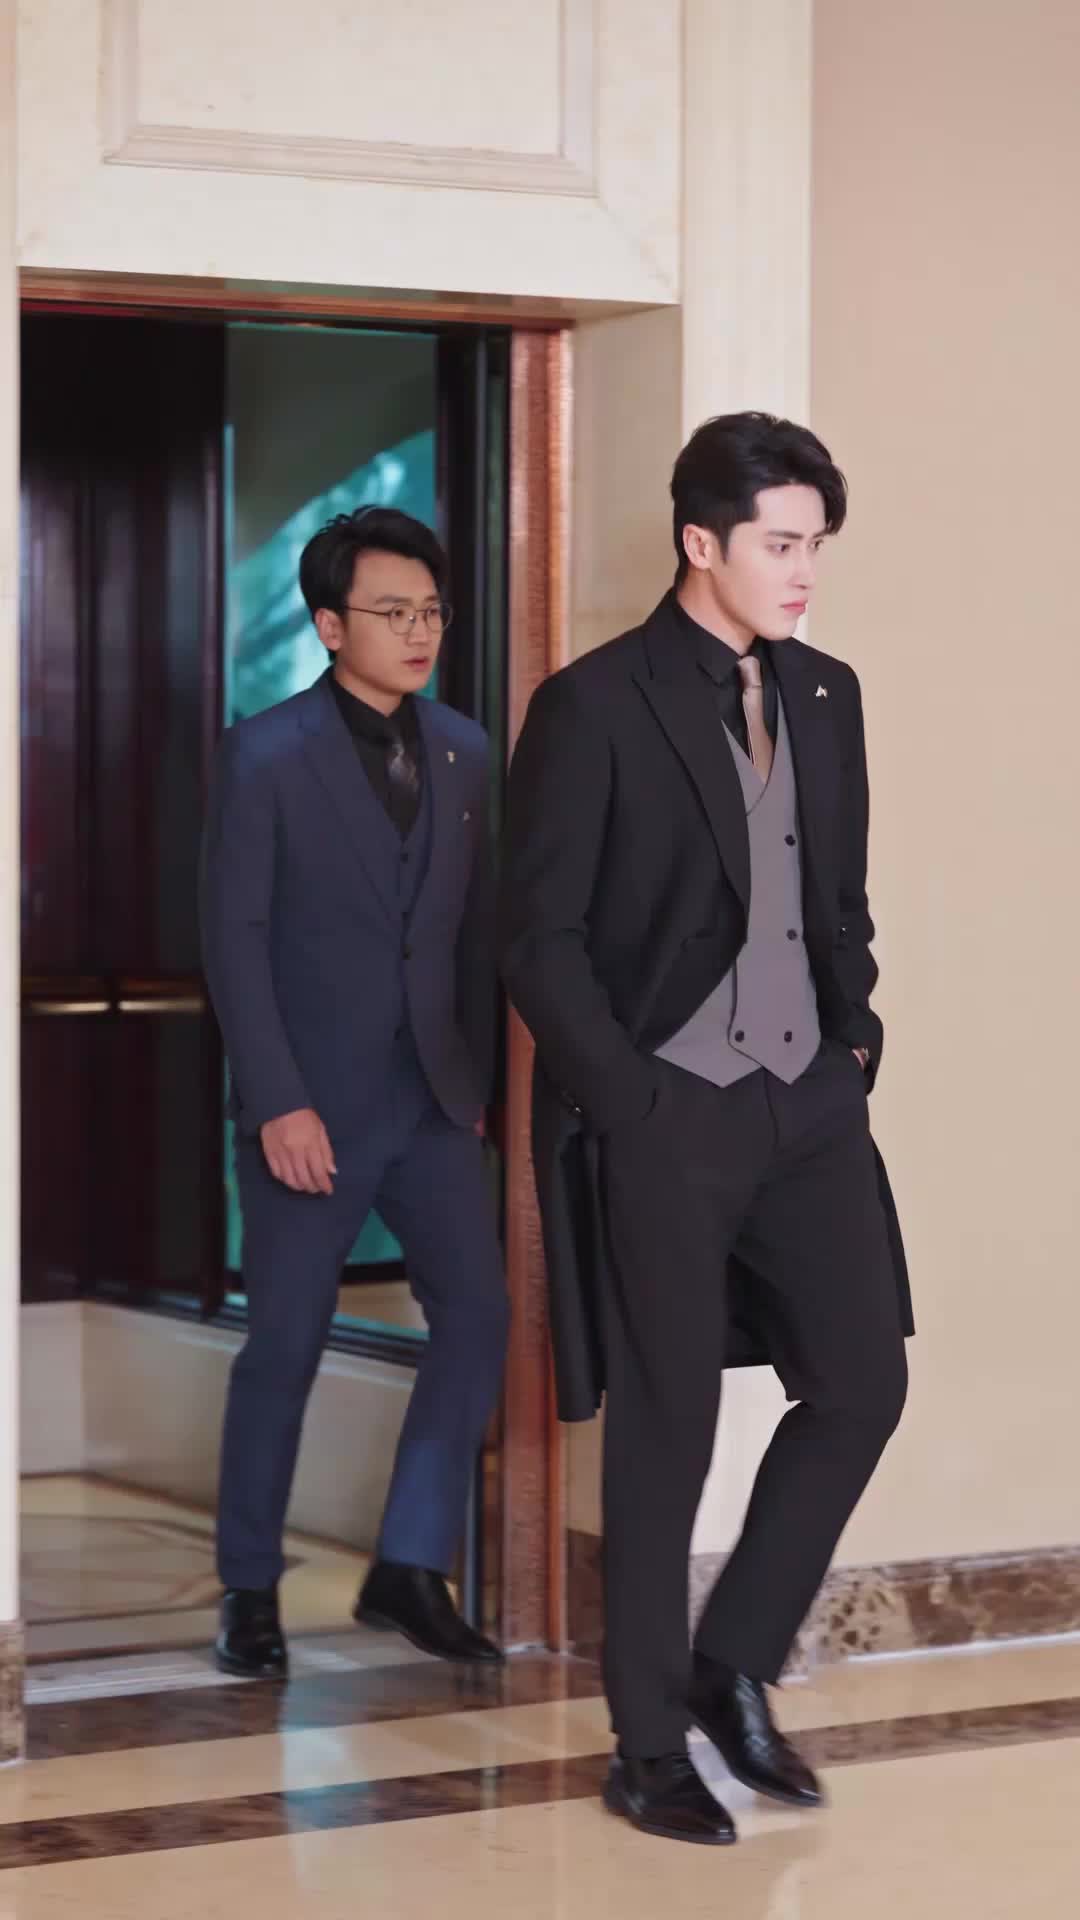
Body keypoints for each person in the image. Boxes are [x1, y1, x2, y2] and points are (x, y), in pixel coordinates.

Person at [499, 414, 912, 1845]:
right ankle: (646, 1741)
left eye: (816, 547)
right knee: (667, 1422)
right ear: (700, 541)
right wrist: (633, 1097)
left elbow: (838, 898)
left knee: (861, 1384)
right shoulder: (594, 704)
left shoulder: (829, 694)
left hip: (810, 1102)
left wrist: (855, 1041)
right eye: (781, 545)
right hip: (670, 1110)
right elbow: (538, 939)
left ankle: (730, 1665)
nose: (805, 572)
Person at [201, 506, 508, 1677]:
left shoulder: (467, 752)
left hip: (433, 1102)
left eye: (430, 611)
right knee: (282, 1343)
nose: (419, 631)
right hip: (310, 1107)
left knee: (477, 1317)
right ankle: (248, 1588)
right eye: (392, 612)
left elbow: (475, 933)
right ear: (331, 626)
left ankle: (409, 1566)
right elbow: (235, 939)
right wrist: (277, 1099)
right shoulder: (264, 754)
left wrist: (477, 1084)